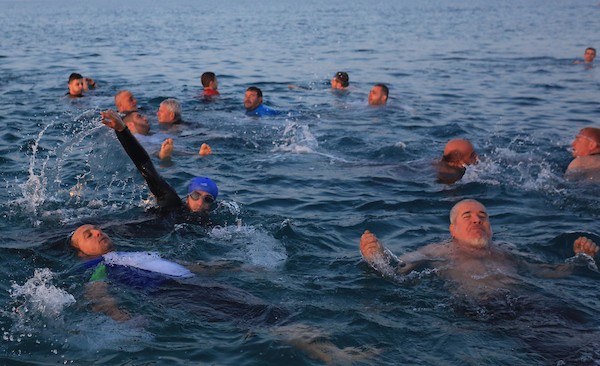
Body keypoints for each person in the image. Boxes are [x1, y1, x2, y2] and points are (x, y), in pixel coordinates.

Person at [70, 224, 371, 363]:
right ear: (82, 252)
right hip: (173, 294)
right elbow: (98, 293)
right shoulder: (97, 265)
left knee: (269, 310)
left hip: (195, 285)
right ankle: (334, 356)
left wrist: (236, 268)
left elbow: (186, 266)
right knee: (259, 317)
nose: (98, 233)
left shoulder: (134, 253)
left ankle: (331, 350)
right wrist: (120, 315)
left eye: (97, 229)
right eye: (89, 235)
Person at [359, 199, 598, 296]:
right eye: (468, 216)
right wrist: (377, 257)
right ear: (452, 229)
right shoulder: (437, 251)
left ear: (490, 228)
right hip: (485, 312)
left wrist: (581, 258)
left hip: (532, 304)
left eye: (483, 217)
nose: (477, 220)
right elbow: (398, 271)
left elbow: (549, 272)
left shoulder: (507, 251)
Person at [100, 109, 217, 219]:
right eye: (195, 196)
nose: (200, 202)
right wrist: (122, 130)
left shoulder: (210, 227)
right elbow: (144, 164)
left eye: (208, 199)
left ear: (212, 205)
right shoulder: (171, 201)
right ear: (188, 198)